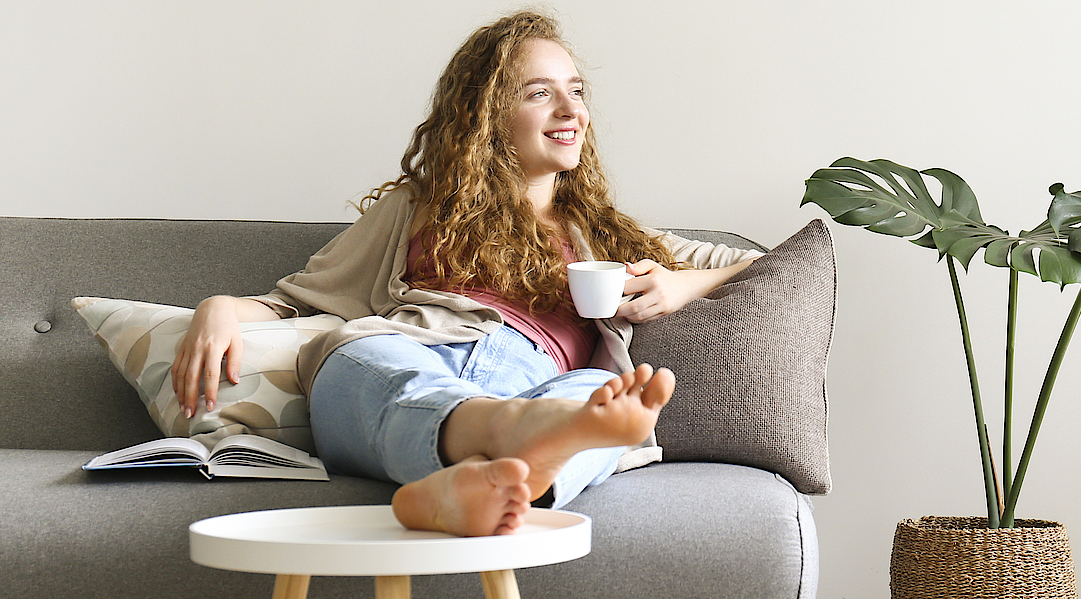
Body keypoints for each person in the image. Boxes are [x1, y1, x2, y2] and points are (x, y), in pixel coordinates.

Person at [168, 11, 760, 538]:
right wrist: (218, 306)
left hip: (532, 376)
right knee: (361, 367)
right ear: (488, 114)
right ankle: (512, 440)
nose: (571, 110)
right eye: (539, 94)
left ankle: (470, 478)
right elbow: (292, 301)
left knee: (594, 401)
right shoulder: (418, 207)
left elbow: (763, 265)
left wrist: (680, 283)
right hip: (410, 348)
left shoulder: (605, 233)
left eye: (575, 91)